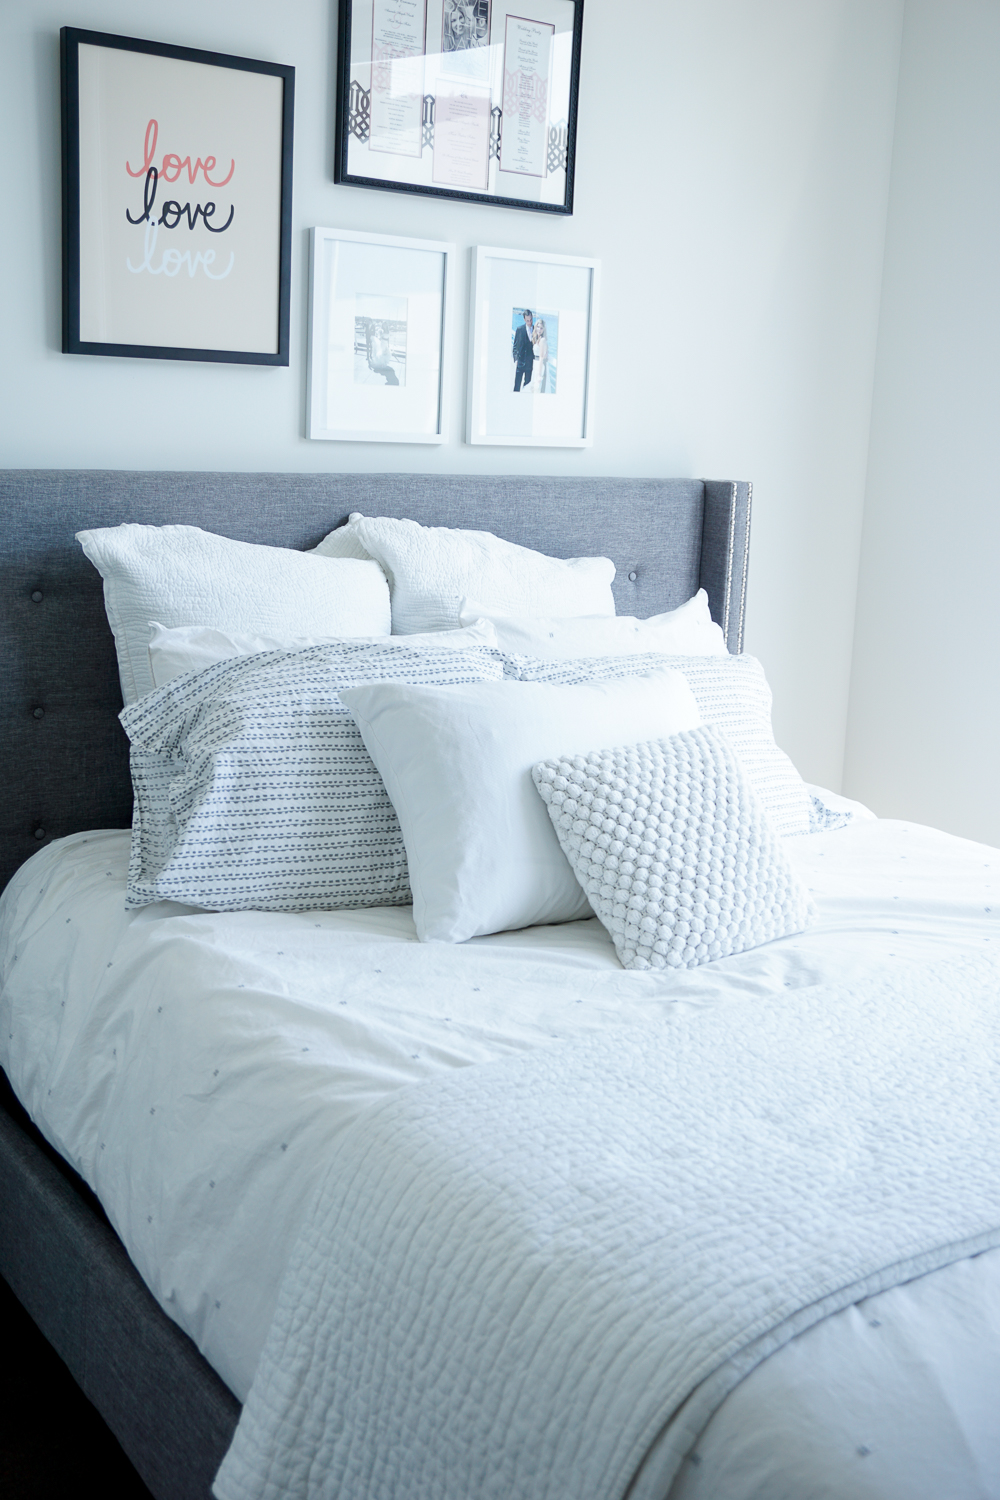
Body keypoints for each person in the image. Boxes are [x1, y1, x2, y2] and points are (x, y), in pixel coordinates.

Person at [512, 309, 534, 392]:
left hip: (529, 364)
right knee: (517, 386)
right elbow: (515, 345)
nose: (529, 322)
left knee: (527, 388)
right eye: (527, 320)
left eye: (531, 319)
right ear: (524, 319)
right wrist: (516, 359)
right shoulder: (519, 329)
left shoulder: (536, 329)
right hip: (520, 364)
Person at [532, 318, 549, 394]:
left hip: (539, 365)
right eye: (538, 327)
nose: (539, 329)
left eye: (541, 328)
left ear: (543, 329)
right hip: (535, 364)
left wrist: (539, 374)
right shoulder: (538, 338)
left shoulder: (542, 340)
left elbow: (541, 357)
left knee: (536, 389)